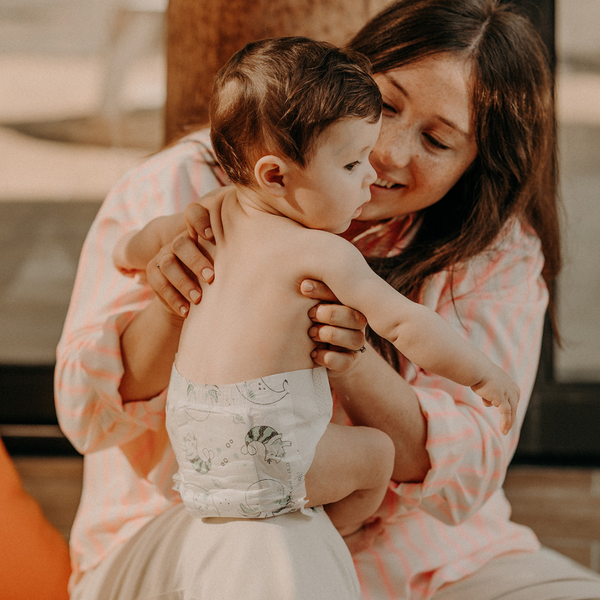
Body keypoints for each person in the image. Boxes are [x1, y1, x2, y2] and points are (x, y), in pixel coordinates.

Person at [55, 0, 600, 598]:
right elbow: (85, 415)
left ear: (477, 165)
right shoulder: (186, 185)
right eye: (385, 104)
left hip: (432, 566)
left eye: (437, 141)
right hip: (189, 535)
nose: (385, 153)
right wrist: (174, 298)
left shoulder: (495, 248)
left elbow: (471, 477)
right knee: (274, 534)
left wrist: (355, 359)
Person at [113, 37, 518, 538]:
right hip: (269, 456)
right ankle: (331, 542)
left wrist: (128, 255)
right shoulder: (325, 254)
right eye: (352, 165)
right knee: (377, 456)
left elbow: (139, 244)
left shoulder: (212, 212)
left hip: (195, 454)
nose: (372, 174)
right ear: (276, 175)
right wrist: (480, 375)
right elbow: (406, 323)